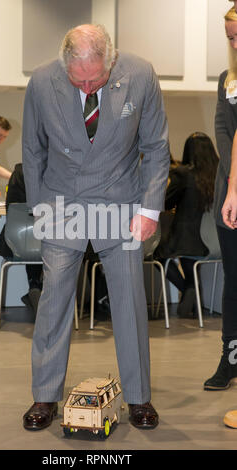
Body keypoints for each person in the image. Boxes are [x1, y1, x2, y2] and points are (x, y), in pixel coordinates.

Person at [22, 24, 169, 431]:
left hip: (119, 200)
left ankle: (139, 398)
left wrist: (149, 211)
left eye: (95, 79)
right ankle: (45, 396)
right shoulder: (40, 81)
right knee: (53, 302)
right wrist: (39, 208)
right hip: (62, 201)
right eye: (77, 79)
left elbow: (156, 147)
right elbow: (32, 149)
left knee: (129, 303)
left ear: (112, 58)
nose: (86, 87)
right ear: (64, 64)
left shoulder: (141, 75)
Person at [203, 5, 237, 391]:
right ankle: (230, 358)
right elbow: (223, 131)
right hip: (229, 195)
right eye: (228, 37)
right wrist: (233, 185)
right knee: (233, 280)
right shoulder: (227, 80)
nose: (233, 43)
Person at [155, 133, 219, 318]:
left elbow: (165, 203)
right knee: (190, 257)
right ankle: (192, 292)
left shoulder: (183, 175)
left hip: (187, 242)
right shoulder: (221, 176)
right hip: (216, 245)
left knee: (159, 255)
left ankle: (188, 289)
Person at [0, 163, 43, 313]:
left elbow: (11, 207)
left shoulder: (19, 172)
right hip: (51, 242)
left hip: (17, 242)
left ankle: (34, 285)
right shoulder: (60, 170)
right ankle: (44, 290)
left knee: (32, 238)